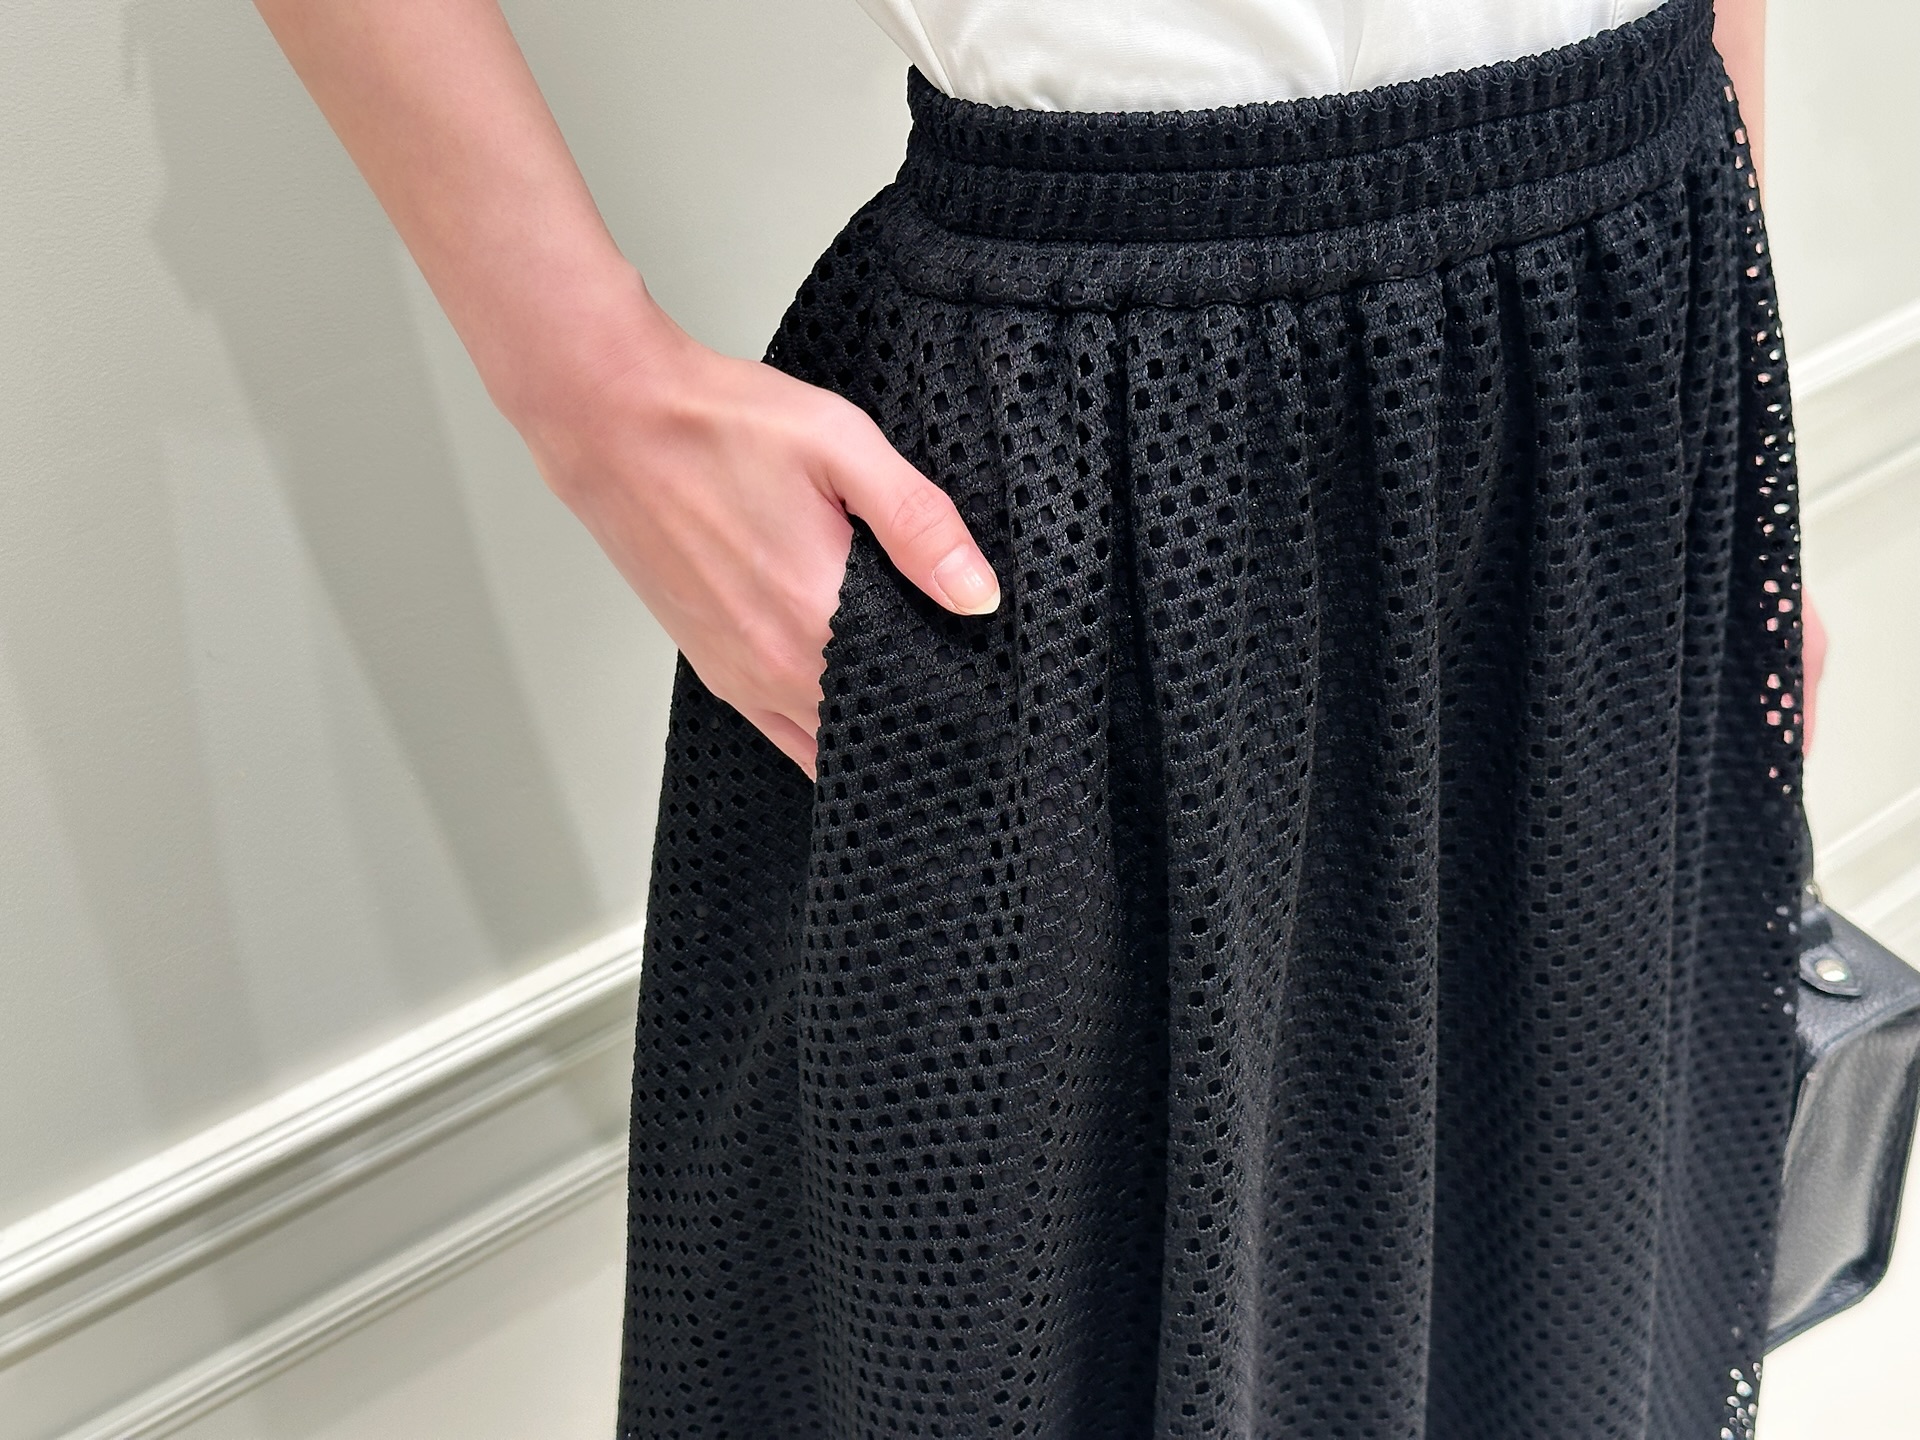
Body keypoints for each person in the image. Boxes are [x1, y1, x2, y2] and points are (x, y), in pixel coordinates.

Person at [254, 1, 1828, 1435]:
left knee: (1562, 1308)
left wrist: (1744, 413)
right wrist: (591, 396)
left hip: (1629, 346)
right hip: (1103, 437)